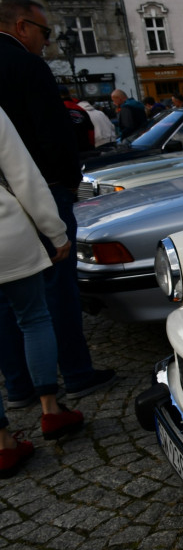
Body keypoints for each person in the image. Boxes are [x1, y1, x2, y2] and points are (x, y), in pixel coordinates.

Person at [0, 0, 115, 409]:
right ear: (22, 27)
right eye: (44, 32)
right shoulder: (27, 67)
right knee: (53, 293)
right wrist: (68, 182)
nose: (47, 41)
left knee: (6, 304)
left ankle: (20, 386)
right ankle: (75, 373)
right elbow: (52, 135)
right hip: (38, 189)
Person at [0, 106, 84, 476]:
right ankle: (51, 411)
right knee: (34, 317)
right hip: (4, 232)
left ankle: (3, 444)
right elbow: (23, 174)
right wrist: (55, 230)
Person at [57, 86, 94, 151]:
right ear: (69, 94)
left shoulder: (56, 110)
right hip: (86, 148)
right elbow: (90, 130)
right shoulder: (81, 110)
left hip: (69, 151)